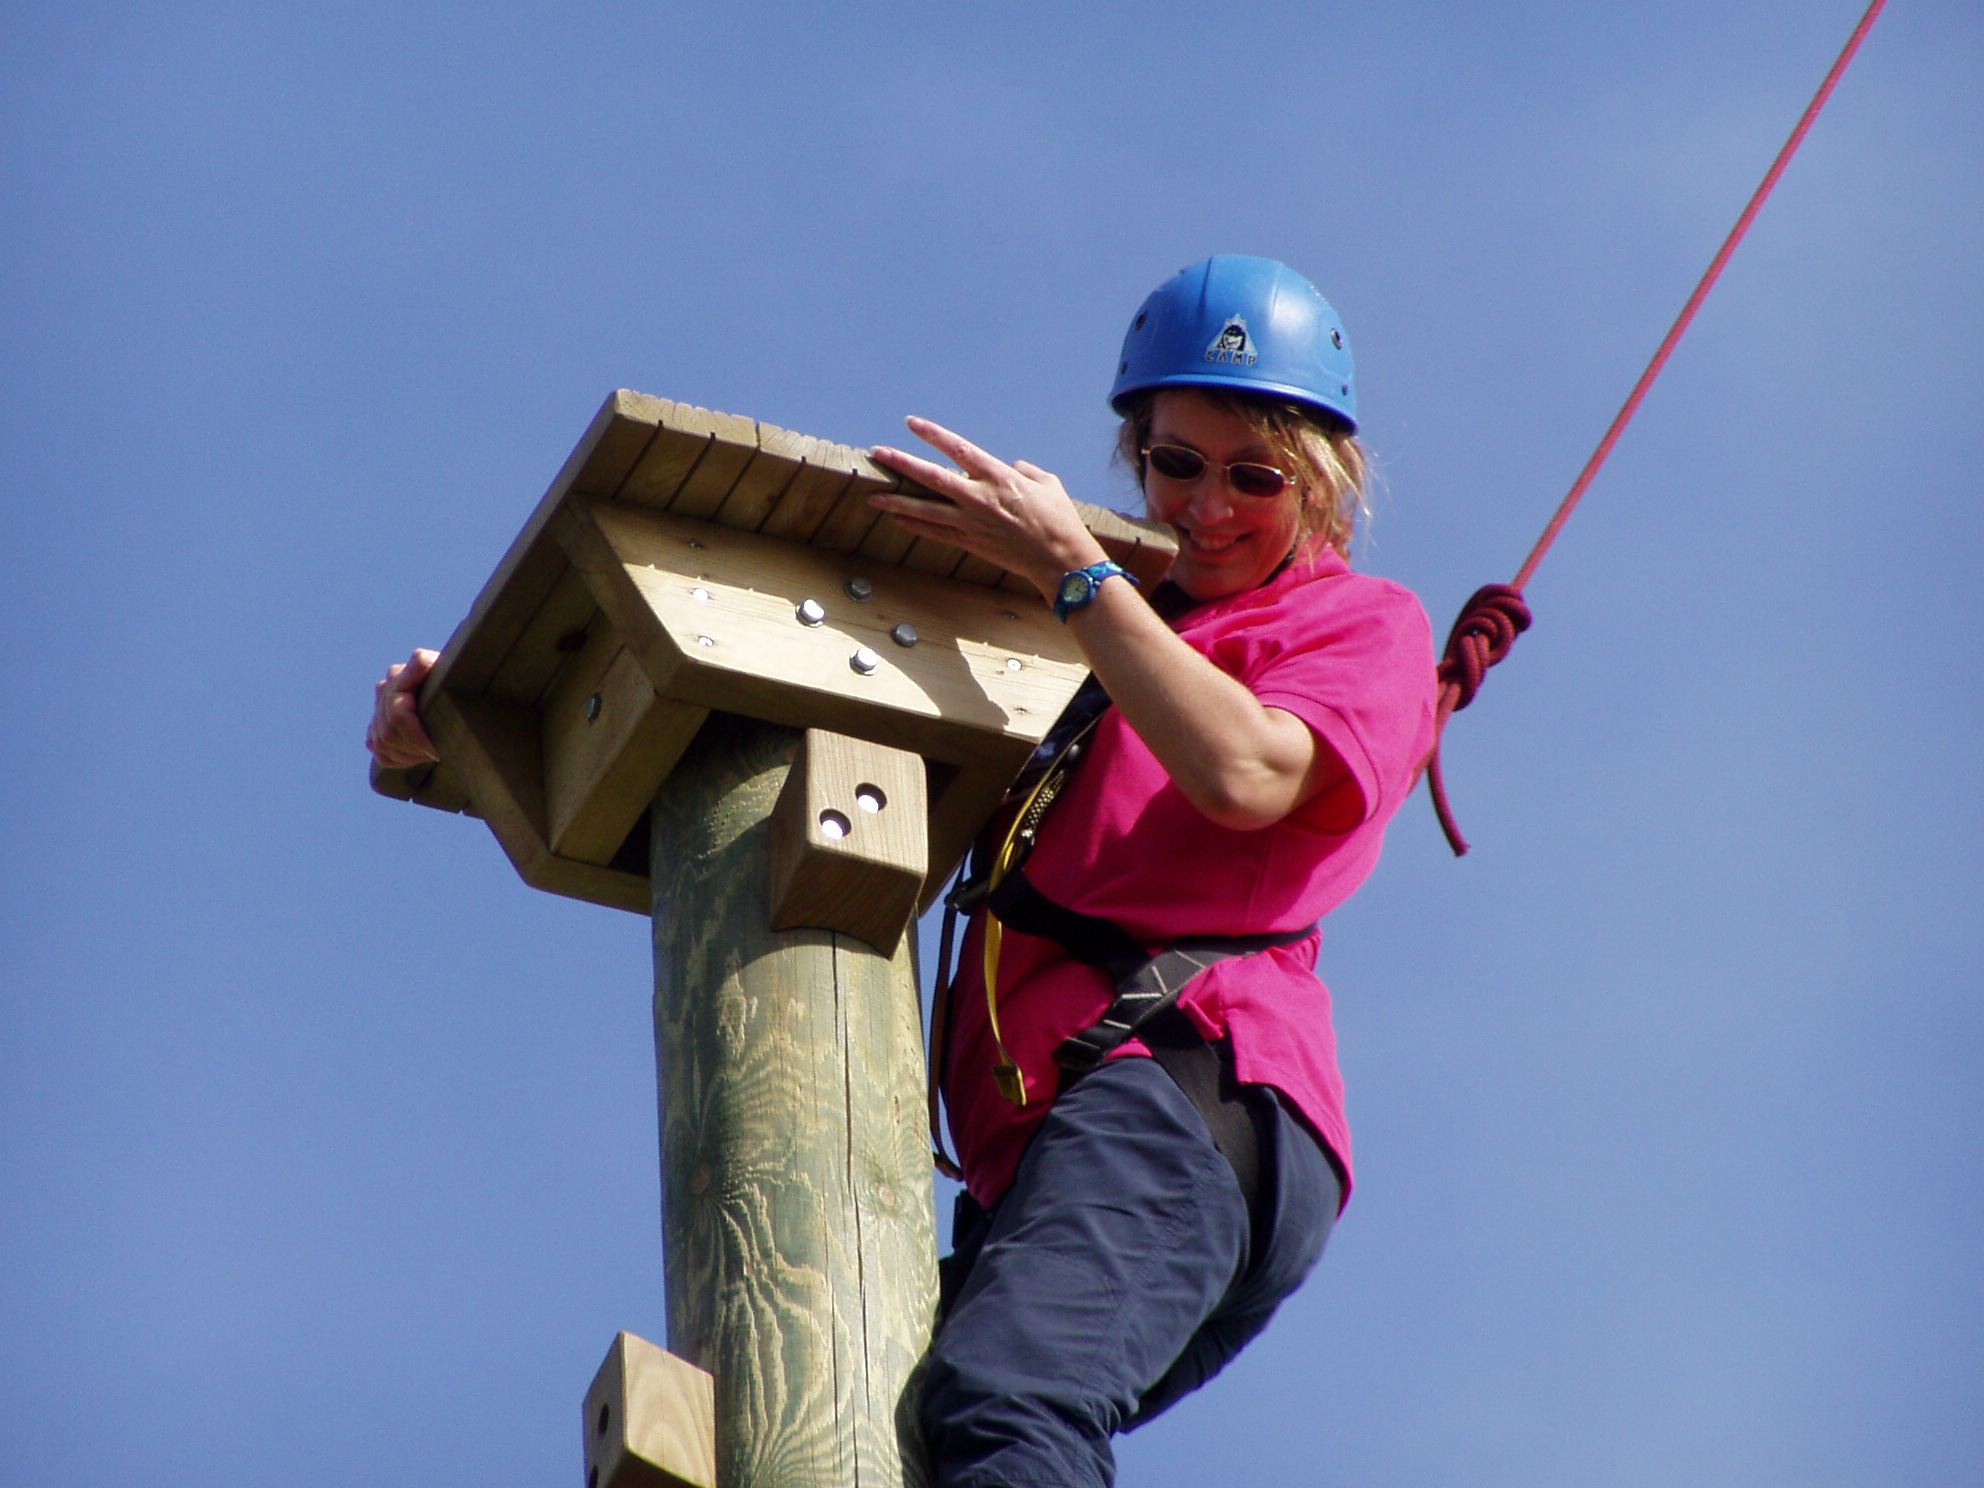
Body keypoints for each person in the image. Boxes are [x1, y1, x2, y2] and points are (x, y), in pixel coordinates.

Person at [368, 256, 1435, 1488]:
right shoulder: (1109, 644)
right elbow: (829, 669)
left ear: (1328, 490)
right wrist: (469, 713)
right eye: (1174, 463)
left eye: (1255, 477)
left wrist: (1075, 574)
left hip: (1192, 1086)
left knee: (1006, 1404)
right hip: (1051, 1138)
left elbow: (1249, 773)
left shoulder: (1349, 622)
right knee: (857, 1408)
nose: (1204, 506)